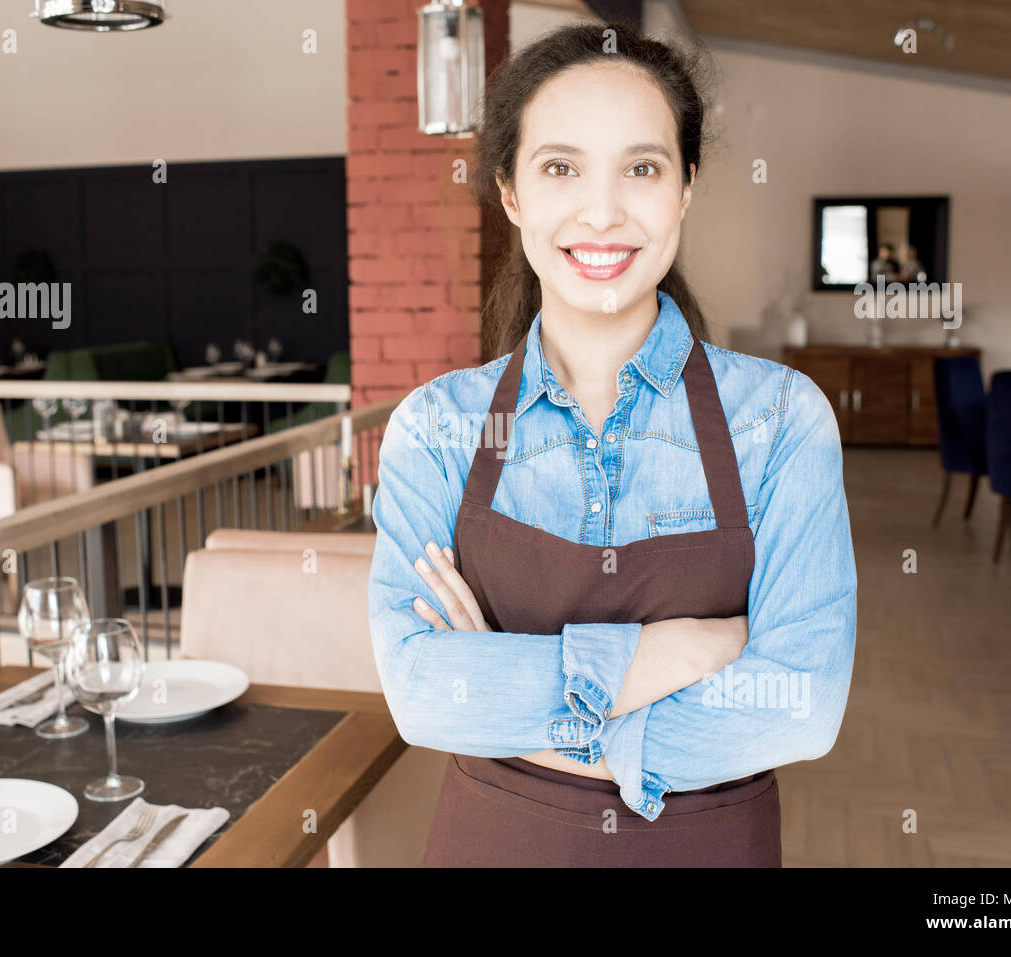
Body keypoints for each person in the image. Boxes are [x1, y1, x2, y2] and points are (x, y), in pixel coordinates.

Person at [367, 22, 857, 867]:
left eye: (642, 167)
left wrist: (510, 694)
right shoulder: (435, 426)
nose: (602, 211)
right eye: (560, 167)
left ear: (686, 187)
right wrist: (687, 648)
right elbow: (423, 696)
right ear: (511, 193)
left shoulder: (782, 418)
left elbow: (800, 708)